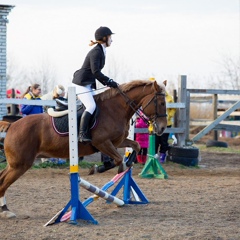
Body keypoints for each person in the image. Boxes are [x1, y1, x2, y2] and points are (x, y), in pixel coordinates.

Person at [72, 26, 118, 143]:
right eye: (110, 37)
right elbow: (95, 72)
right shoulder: (96, 51)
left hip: (88, 83)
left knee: (99, 104)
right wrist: (109, 82)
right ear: (104, 38)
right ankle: (82, 134)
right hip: (81, 83)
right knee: (91, 106)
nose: (111, 39)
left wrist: (108, 83)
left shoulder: (102, 50)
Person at [41, 84, 67, 164]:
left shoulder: (59, 98)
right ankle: (45, 160)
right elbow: (50, 111)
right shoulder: (47, 98)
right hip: (45, 119)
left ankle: (57, 158)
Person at [155, 80, 176, 163]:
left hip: (167, 123)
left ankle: (162, 156)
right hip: (157, 123)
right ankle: (154, 156)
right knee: (156, 140)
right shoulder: (156, 96)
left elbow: (173, 109)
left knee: (164, 141)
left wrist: (169, 116)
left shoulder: (169, 98)